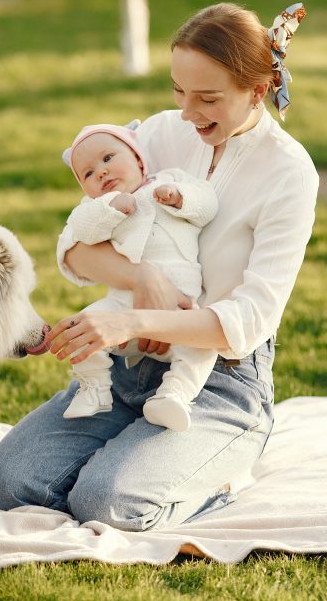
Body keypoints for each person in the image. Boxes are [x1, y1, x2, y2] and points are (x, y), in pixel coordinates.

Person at [0, 2, 318, 531]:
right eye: (179, 91)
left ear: (258, 90)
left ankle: (221, 471)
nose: (187, 112)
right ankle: (134, 448)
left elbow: (250, 321)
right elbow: (74, 248)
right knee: (4, 487)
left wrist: (133, 320)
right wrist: (142, 279)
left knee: (108, 505)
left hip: (219, 380)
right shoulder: (158, 135)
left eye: (207, 98)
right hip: (126, 369)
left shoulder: (289, 173)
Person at [58, 122, 219, 432]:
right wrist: (111, 211)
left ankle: (175, 395)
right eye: (88, 174)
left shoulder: (170, 181)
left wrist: (180, 198)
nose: (101, 173)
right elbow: (81, 231)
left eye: (107, 159)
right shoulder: (96, 207)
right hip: (122, 308)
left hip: (180, 309)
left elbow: (207, 203)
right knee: (83, 329)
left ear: (137, 156)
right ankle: (95, 386)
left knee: (202, 346)